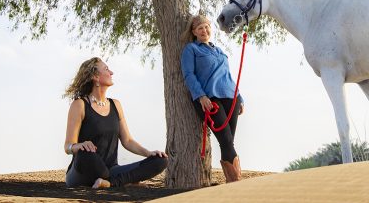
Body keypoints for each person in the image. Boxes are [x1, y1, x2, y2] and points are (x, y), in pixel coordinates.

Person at [63, 57, 168, 188]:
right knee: (87, 154)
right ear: (95, 76)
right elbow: (67, 146)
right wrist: (79, 146)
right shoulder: (80, 105)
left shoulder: (115, 105)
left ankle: (109, 183)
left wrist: (148, 153)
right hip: (83, 171)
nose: (111, 72)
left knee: (160, 161)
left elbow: (128, 141)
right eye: (106, 69)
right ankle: (122, 182)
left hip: (112, 170)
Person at [181, 14, 245, 183]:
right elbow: (188, 75)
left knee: (229, 141)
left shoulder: (219, 51)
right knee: (226, 140)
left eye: (207, 26)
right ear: (194, 32)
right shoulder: (191, 49)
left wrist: (240, 97)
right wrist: (200, 96)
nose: (204, 30)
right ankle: (236, 183)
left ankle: (232, 184)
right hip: (210, 100)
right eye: (200, 28)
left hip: (231, 97)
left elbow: (228, 76)